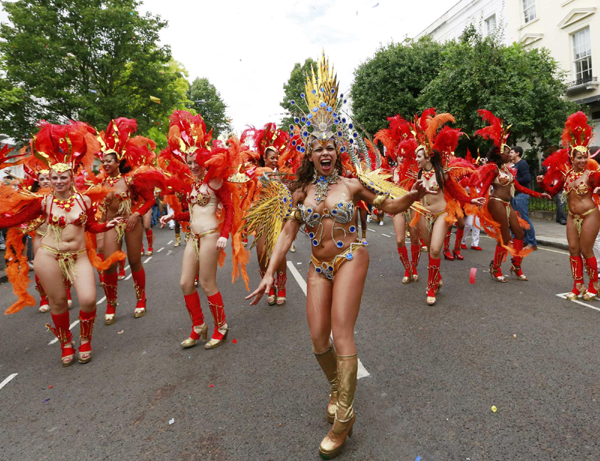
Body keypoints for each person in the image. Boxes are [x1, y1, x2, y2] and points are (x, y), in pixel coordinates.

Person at [245, 55, 435, 459]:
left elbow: (390, 207)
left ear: (338, 150)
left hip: (351, 256)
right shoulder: (301, 192)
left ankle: (344, 419)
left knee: (341, 331)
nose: (325, 152)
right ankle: (336, 386)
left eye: (331, 146)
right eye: (318, 148)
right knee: (317, 339)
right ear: (310, 155)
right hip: (318, 264)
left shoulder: (352, 185)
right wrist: (268, 274)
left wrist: (415, 195)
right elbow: (287, 234)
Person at [0, 121, 123, 366]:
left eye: (62, 177)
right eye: (54, 177)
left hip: (78, 255)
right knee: (57, 302)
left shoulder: (85, 201)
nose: (57, 181)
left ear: (71, 177)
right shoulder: (42, 203)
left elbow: (89, 227)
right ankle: (66, 343)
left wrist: (107, 225)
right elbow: (14, 219)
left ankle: (85, 340)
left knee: (88, 299)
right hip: (49, 255)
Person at [160, 110, 248, 349]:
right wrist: (173, 215)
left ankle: (221, 326)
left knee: (208, 284)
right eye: (189, 163)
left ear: (204, 160)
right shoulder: (193, 186)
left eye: (196, 162)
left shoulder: (215, 183)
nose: (192, 167)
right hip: (193, 237)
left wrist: (224, 235)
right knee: (186, 283)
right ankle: (198, 326)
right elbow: (193, 213)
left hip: (210, 237)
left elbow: (229, 208)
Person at [97, 118, 163, 325]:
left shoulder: (131, 179)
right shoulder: (99, 183)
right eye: (103, 161)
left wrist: (136, 214)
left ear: (118, 162)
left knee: (134, 261)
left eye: (109, 161)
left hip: (130, 223)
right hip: (110, 225)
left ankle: (140, 300)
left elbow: (150, 199)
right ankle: (111, 304)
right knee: (109, 266)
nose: (105, 164)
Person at [474, 110, 550, 282]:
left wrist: (540, 194)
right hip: (496, 203)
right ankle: (496, 267)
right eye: (506, 151)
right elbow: (485, 186)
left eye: (509, 151)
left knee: (520, 234)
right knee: (505, 236)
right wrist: (478, 199)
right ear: (498, 153)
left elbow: (520, 187)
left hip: (507, 204)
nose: (510, 153)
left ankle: (516, 265)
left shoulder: (508, 170)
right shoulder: (493, 168)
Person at [538, 112, 600, 300]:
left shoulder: (592, 174)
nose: (582, 160)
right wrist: (541, 184)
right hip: (573, 217)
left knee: (586, 250)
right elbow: (553, 191)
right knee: (573, 250)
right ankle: (577, 285)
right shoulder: (567, 176)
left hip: (590, 214)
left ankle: (593, 285)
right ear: (571, 159)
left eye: (584, 157)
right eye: (578, 157)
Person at [510, 146, 538, 250]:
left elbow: (527, 178)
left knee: (524, 218)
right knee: (519, 219)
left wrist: (514, 180)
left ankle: (532, 243)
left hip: (522, 195)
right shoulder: (516, 165)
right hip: (516, 195)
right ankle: (525, 241)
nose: (510, 154)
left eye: (512, 152)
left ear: (518, 153)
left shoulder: (522, 163)